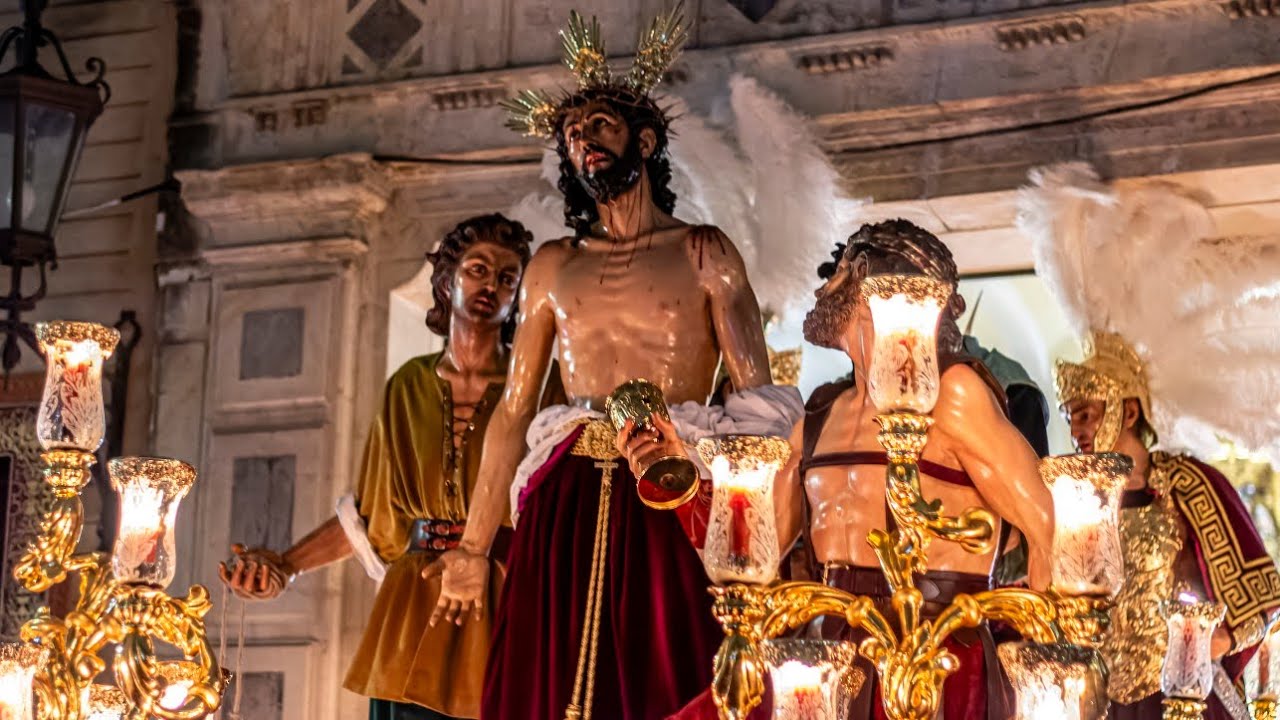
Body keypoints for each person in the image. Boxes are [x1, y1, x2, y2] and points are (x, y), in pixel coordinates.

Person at [431, 8, 801, 720]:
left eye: (600, 126)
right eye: (573, 135)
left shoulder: (703, 251)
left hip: (670, 483)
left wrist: (757, 542)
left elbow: (760, 408)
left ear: (645, 140)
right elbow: (514, 410)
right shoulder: (553, 266)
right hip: (566, 493)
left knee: (669, 667)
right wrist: (474, 549)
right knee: (552, 676)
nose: (585, 142)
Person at [661, 220, 1056, 720]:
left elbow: (1048, 524)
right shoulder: (820, 416)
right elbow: (752, 551)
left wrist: (1049, 658)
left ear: (864, 275)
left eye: (836, 273)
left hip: (936, 664)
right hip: (828, 666)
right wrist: (676, 466)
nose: (821, 289)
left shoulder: (953, 394)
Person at [219, 214, 533, 720]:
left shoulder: (540, 387)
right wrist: (286, 564)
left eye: (507, 278)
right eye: (477, 269)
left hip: (505, 599)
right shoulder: (407, 386)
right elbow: (372, 517)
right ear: (447, 280)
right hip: (414, 605)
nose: (491, 286)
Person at [1022, 163, 1280, 719]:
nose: (1078, 430)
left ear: (1129, 410)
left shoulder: (1187, 483)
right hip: (1096, 698)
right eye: (1071, 417)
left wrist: (1214, 643)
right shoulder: (1072, 499)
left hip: (1183, 695)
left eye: (1087, 413)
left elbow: (1259, 596)